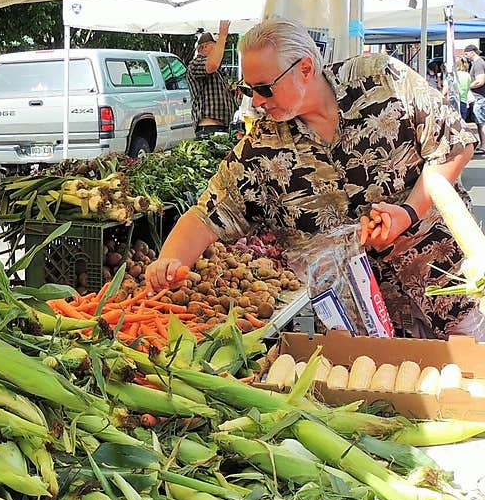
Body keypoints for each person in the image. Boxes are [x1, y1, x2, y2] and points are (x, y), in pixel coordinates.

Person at [146, 17, 480, 340]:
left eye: (265, 88)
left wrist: (408, 212)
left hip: (450, 287)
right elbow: (208, 214)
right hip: (356, 324)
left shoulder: (382, 80)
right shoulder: (261, 149)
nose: (258, 102)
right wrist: (168, 261)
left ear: (305, 69)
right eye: (250, 90)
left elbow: (454, 145)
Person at [188, 20, 237, 136]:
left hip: (220, 126)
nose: (219, 50)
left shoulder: (215, 70)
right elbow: (212, 65)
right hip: (209, 127)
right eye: (215, 46)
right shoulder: (196, 63)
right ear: (204, 47)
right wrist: (223, 36)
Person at [464, 44, 485, 154]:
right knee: (479, 122)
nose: (466, 56)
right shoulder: (478, 63)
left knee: (481, 122)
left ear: (473, 52)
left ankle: (483, 145)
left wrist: (467, 86)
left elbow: (480, 81)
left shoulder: (478, 64)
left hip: (479, 98)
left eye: (466, 54)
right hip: (479, 97)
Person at [455, 56, 472, 121]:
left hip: (454, 101)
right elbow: (468, 88)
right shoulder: (467, 75)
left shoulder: (453, 75)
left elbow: (446, 89)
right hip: (464, 101)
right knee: (462, 123)